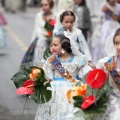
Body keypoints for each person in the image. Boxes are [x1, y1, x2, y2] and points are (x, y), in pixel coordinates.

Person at [34, 33, 92, 120]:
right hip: (55, 92)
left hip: (73, 90)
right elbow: (46, 76)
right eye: (52, 45)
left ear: (64, 46)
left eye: (55, 45)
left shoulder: (78, 60)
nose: (52, 47)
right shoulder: (52, 60)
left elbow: (86, 75)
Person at [21, 0, 56, 67]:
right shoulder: (39, 16)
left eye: (46, 5)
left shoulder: (56, 16)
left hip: (52, 44)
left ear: (51, 5)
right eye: (42, 5)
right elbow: (35, 30)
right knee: (39, 65)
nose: (44, 7)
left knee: (51, 66)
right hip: (40, 44)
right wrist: (32, 44)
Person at [96, 28, 120, 120]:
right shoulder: (106, 63)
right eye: (116, 43)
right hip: (111, 105)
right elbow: (99, 88)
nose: (119, 47)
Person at [91, 0, 120, 64]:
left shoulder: (118, 6)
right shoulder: (104, 6)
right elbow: (100, 18)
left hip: (116, 26)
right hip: (106, 28)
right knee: (103, 43)